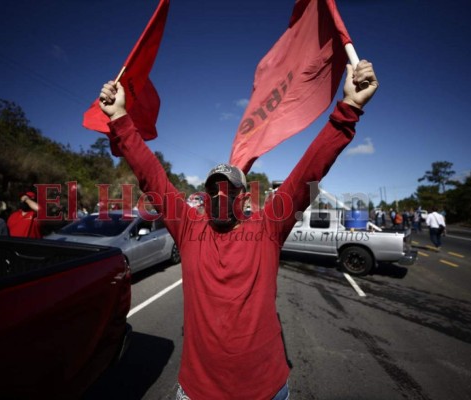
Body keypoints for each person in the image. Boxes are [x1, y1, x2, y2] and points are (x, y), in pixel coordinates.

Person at [99, 60, 378, 399]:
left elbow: (308, 173)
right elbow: (151, 176)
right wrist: (118, 118)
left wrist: (348, 109)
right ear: (203, 196)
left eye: (228, 190)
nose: (220, 196)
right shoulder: (189, 229)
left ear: (244, 197)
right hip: (198, 392)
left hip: (265, 391)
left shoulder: (267, 228)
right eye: (213, 189)